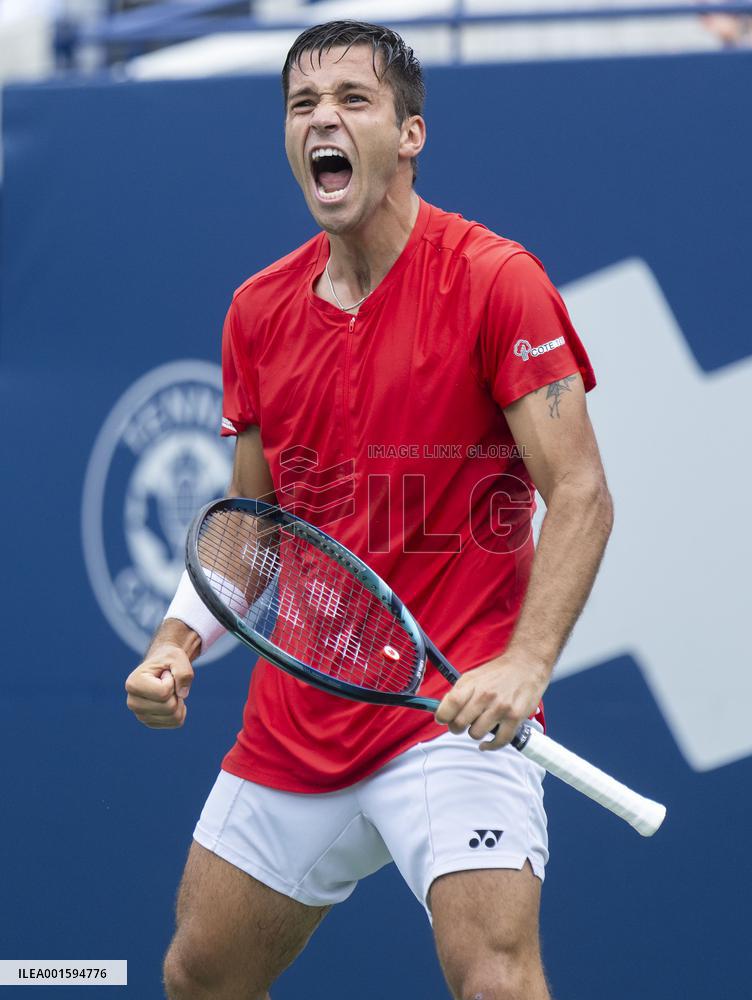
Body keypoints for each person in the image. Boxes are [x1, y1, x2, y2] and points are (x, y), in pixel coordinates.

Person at [125, 20, 613, 1000]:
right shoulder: (257, 312)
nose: (323, 120)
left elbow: (582, 493)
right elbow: (251, 522)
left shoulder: (494, 281)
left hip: (448, 720)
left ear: (411, 132)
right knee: (197, 974)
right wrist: (179, 636)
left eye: (352, 99)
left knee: (494, 979)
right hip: (300, 721)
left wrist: (524, 661)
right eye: (303, 104)